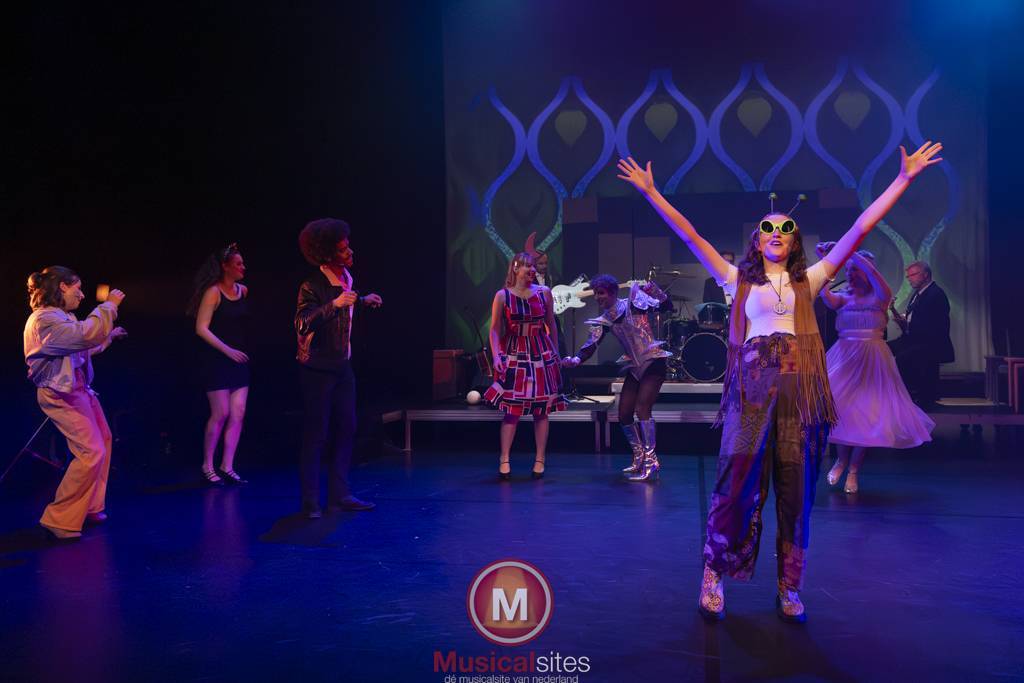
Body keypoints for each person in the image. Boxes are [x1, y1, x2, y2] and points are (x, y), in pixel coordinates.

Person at [616, 140, 943, 622]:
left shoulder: (812, 278)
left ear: (794, 242)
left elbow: (861, 227)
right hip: (752, 391)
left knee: (796, 491)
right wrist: (651, 193)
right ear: (757, 240)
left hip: (799, 393)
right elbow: (690, 235)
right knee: (735, 482)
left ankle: (790, 585)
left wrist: (903, 179)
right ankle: (713, 573)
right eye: (767, 228)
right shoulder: (736, 279)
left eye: (785, 229)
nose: (776, 233)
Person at [818, 248, 935, 494]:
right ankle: (841, 460)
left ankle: (853, 470)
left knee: (868, 414)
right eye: (848, 270)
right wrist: (826, 260)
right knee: (842, 411)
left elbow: (874, 276)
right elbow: (824, 293)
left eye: (855, 270)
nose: (850, 274)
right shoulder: (843, 298)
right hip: (844, 358)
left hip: (872, 359)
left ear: (866, 272)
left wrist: (851, 252)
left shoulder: (880, 296)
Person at [24, 267, 127, 540]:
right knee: (90, 451)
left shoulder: (62, 317)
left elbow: (82, 347)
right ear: (62, 287)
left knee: (103, 440)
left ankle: (89, 506)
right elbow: (84, 335)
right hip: (59, 394)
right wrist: (108, 307)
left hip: (78, 390)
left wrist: (107, 336)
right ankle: (59, 519)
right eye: (77, 289)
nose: (81, 295)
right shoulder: (44, 319)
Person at [295, 218, 382, 518]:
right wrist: (335, 304)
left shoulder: (346, 278)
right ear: (328, 254)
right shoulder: (312, 285)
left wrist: (363, 300)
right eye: (343, 249)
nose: (350, 252)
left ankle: (340, 494)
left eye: (348, 247)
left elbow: (346, 307)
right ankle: (310, 502)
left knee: (347, 428)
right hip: (317, 368)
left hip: (342, 366)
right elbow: (303, 322)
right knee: (316, 434)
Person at [562, 275, 671, 481]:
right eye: (596, 294)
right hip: (635, 367)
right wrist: (576, 359)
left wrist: (655, 290)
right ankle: (639, 457)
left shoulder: (633, 304)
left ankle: (651, 462)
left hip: (653, 362)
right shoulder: (605, 319)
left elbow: (666, 306)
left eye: (601, 293)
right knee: (624, 414)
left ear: (612, 292)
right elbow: (591, 344)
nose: (597, 297)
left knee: (642, 408)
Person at [484, 252, 567, 479]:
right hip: (514, 352)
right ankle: (504, 458)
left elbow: (551, 324)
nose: (532, 270)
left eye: (533, 266)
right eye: (528, 266)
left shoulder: (544, 293)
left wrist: (555, 352)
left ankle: (540, 458)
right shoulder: (502, 296)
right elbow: (494, 329)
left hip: (540, 351)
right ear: (515, 268)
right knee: (512, 410)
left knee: (541, 410)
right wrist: (497, 355)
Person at [186, 243, 251, 486]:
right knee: (221, 413)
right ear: (225, 266)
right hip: (217, 359)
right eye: (238, 264)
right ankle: (207, 465)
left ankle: (228, 465)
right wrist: (228, 351)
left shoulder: (243, 291)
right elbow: (201, 328)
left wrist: (237, 352)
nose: (243, 267)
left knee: (238, 412)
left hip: (239, 359)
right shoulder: (213, 292)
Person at [888, 261, 954, 408]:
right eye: (908, 276)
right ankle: (893, 395)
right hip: (914, 339)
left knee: (901, 358)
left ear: (925, 275)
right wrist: (896, 313)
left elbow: (933, 328)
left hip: (927, 343)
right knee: (882, 348)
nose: (909, 279)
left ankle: (909, 398)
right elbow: (913, 320)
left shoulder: (935, 294)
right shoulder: (918, 294)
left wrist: (907, 325)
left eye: (913, 275)